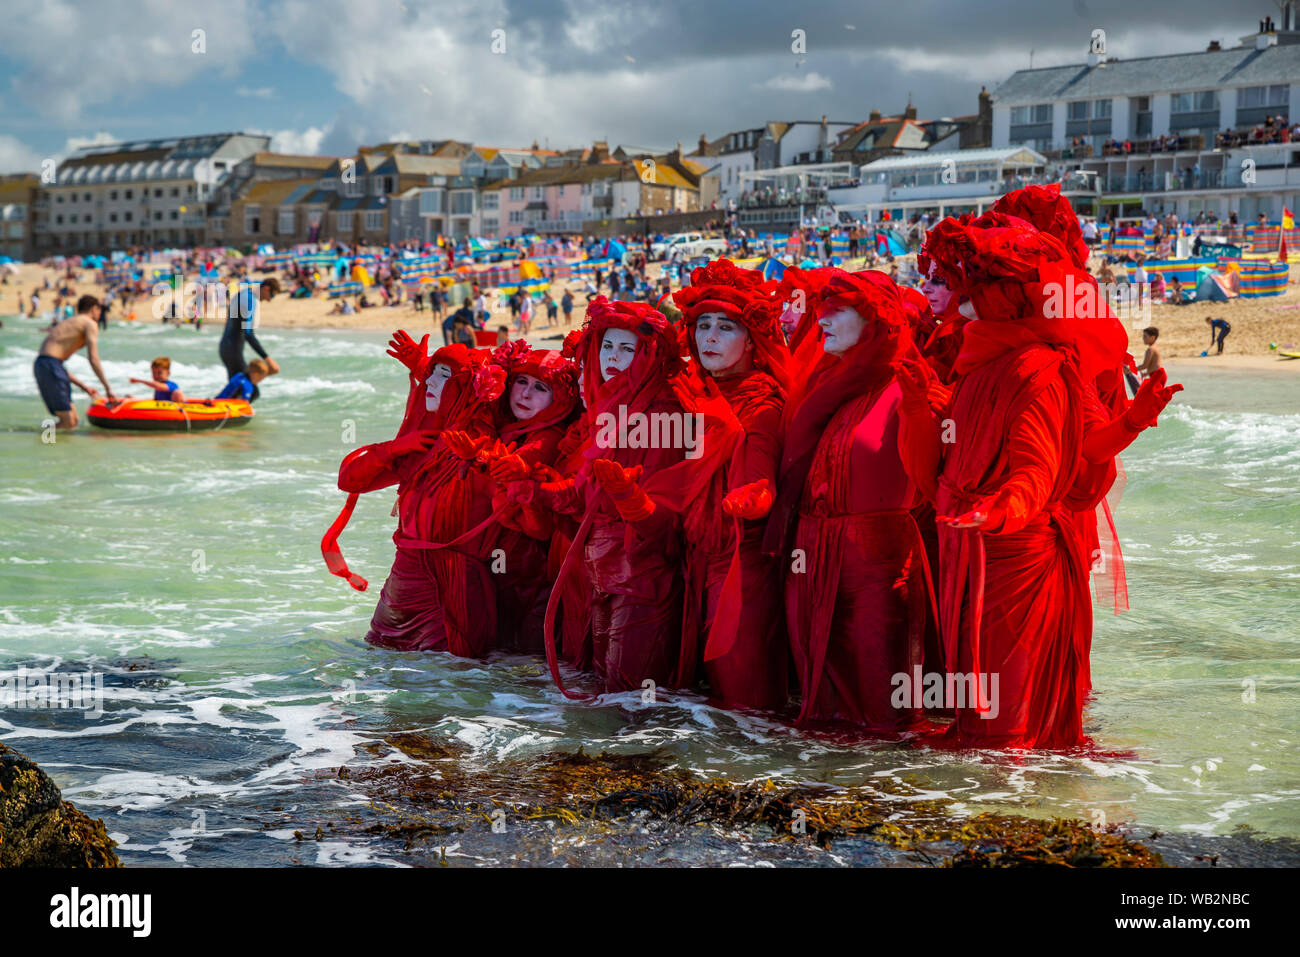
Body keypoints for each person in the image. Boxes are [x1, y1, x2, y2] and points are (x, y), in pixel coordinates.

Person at [33, 295, 118, 429]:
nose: (100, 314)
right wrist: (108, 388)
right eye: (100, 310)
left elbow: (55, 363)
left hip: (45, 365)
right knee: (67, 422)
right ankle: (39, 439)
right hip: (49, 365)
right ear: (94, 308)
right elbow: (93, 359)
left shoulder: (71, 322)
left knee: (73, 421)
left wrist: (84, 386)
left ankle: (47, 442)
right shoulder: (89, 323)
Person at [220, 279, 281, 380]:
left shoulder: (243, 294)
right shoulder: (250, 300)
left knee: (238, 388)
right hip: (233, 351)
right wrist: (268, 359)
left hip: (226, 348)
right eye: (272, 295)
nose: (270, 300)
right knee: (246, 387)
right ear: (266, 288)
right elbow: (248, 333)